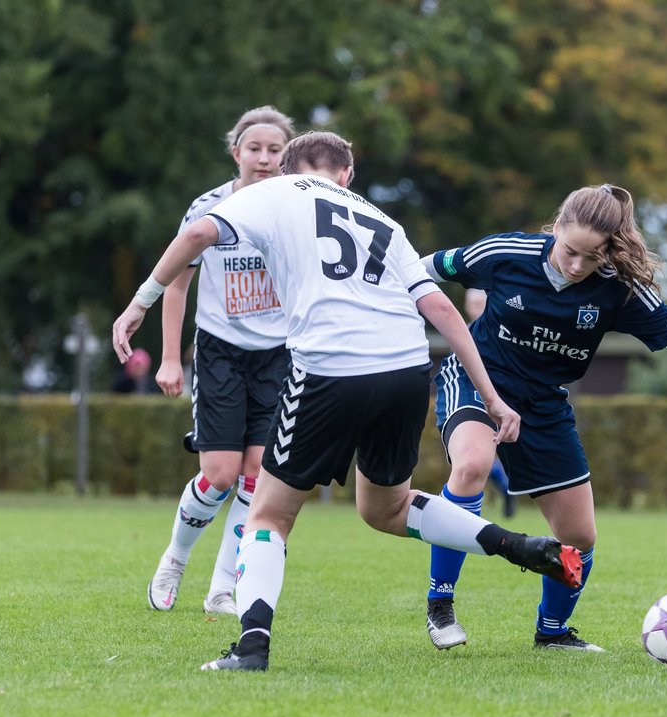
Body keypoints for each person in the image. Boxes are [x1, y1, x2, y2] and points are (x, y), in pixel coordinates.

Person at [112, 131, 582, 672]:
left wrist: (139, 302)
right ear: (348, 176)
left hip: (332, 365)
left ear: (288, 168)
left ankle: (251, 648)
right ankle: (521, 547)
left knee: (268, 513)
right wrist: (494, 400)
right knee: (387, 508)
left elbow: (198, 232)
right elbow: (446, 314)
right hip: (405, 367)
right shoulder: (383, 221)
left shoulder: (277, 191)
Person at [423, 183, 667, 653]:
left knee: (579, 536)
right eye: (570, 251)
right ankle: (440, 603)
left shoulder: (618, 287)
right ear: (556, 227)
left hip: (545, 405)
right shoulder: (506, 253)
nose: (576, 266)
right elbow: (419, 271)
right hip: (477, 380)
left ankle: (551, 632)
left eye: (591, 258)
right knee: (471, 465)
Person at [142, 106, 296, 616]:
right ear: (237, 153)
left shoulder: (293, 212)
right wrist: (169, 359)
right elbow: (177, 283)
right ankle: (176, 558)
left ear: (287, 156)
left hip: (277, 358)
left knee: (258, 475)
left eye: (276, 150)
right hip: (220, 354)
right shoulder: (208, 209)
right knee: (220, 473)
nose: (265, 158)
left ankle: (223, 587)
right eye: (255, 148)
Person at [462, 288, 515, 518]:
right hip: (469, 401)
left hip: (498, 401)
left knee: (480, 458)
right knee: (472, 460)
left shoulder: (502, 332)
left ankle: (505, 489)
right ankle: (504, 489)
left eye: (480, 302)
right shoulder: (461, 332)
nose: (476, 307)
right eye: (472, 303)